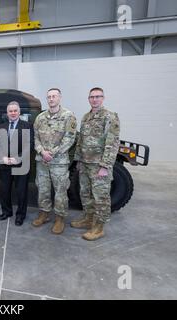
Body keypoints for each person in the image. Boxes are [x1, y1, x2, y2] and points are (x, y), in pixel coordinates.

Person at [71, 87, 120, 241]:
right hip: (85, 163)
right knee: (85, 194)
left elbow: (112, 142)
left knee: (101, 197)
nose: (95, 99)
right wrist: (78, 159)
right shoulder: (86, 117)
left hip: (99, 165)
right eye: (92, 97)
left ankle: (99, 227)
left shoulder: (110, 116)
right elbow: (81, 140)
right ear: (89, 99)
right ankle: (88, 218)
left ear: (103, 98)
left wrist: (105, 166)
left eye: (98, 96)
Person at [32, 88, 77, 234]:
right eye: (49, 97)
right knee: (43, 189)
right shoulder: (40, 117)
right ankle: (44, 213)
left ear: (60, 98)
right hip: (42, 160)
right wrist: (42, 151)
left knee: (60, 190)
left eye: (54, 96)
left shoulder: (68, 116)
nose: (51, 99)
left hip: (59, 161)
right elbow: (36, 137)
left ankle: (59, 218)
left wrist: (52, 153)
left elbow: (70, 138)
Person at [0, 101, 34, 226]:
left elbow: (30, 145)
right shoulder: (1, 126)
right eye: (10, 111)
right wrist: (2, 158)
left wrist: (18, 158)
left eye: (15, 111)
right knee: (5, 190)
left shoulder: (27, 126)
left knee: (21, 192)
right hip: (5, 165)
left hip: (21, 165)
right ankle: (6, 212)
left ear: (19, 112)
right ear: (7, 113)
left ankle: (20, 215)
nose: (12, 113)